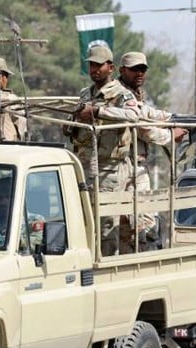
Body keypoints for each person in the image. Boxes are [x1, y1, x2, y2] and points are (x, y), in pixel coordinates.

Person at [70, 45, 140, 256]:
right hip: (83, 166)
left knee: (107, 224)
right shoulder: (85, 93)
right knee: (83, 220)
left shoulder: (122, 94)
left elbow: (133, 116)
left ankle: (106, 266)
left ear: (111, 67)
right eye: (92, 65)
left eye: (99, 65)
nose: (95, 70)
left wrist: (98, 111)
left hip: (109, 168)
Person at [117, 51, 187, 249]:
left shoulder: (134, 93)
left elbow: (146, 113)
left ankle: (140, 252)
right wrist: (170, 136)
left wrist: (172, 118)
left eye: (142, 69)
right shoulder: (121, 94)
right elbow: (142, 128)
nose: (139, 73)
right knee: (135, 219)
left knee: (141, 218)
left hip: (135, 165)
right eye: (134, 69)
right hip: (124, 165)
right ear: (122, 71)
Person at [0, 56, 27, 141]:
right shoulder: (10, 99)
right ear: (0, 77)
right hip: (6, 144)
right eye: (7, 76)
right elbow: (21, 125)